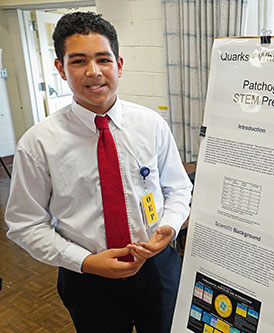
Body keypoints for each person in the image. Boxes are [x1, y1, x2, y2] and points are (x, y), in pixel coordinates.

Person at [4, 11, 192, 332]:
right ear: (61, 69)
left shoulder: (151, 124)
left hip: (158, 268)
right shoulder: (38, 143)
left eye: (103, 59)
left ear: (119, 65)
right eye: (78, 62)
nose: (94, 72)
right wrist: (86, 262)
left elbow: (177, 188)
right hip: (87, 277)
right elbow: (24, 224)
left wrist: (169, 227)